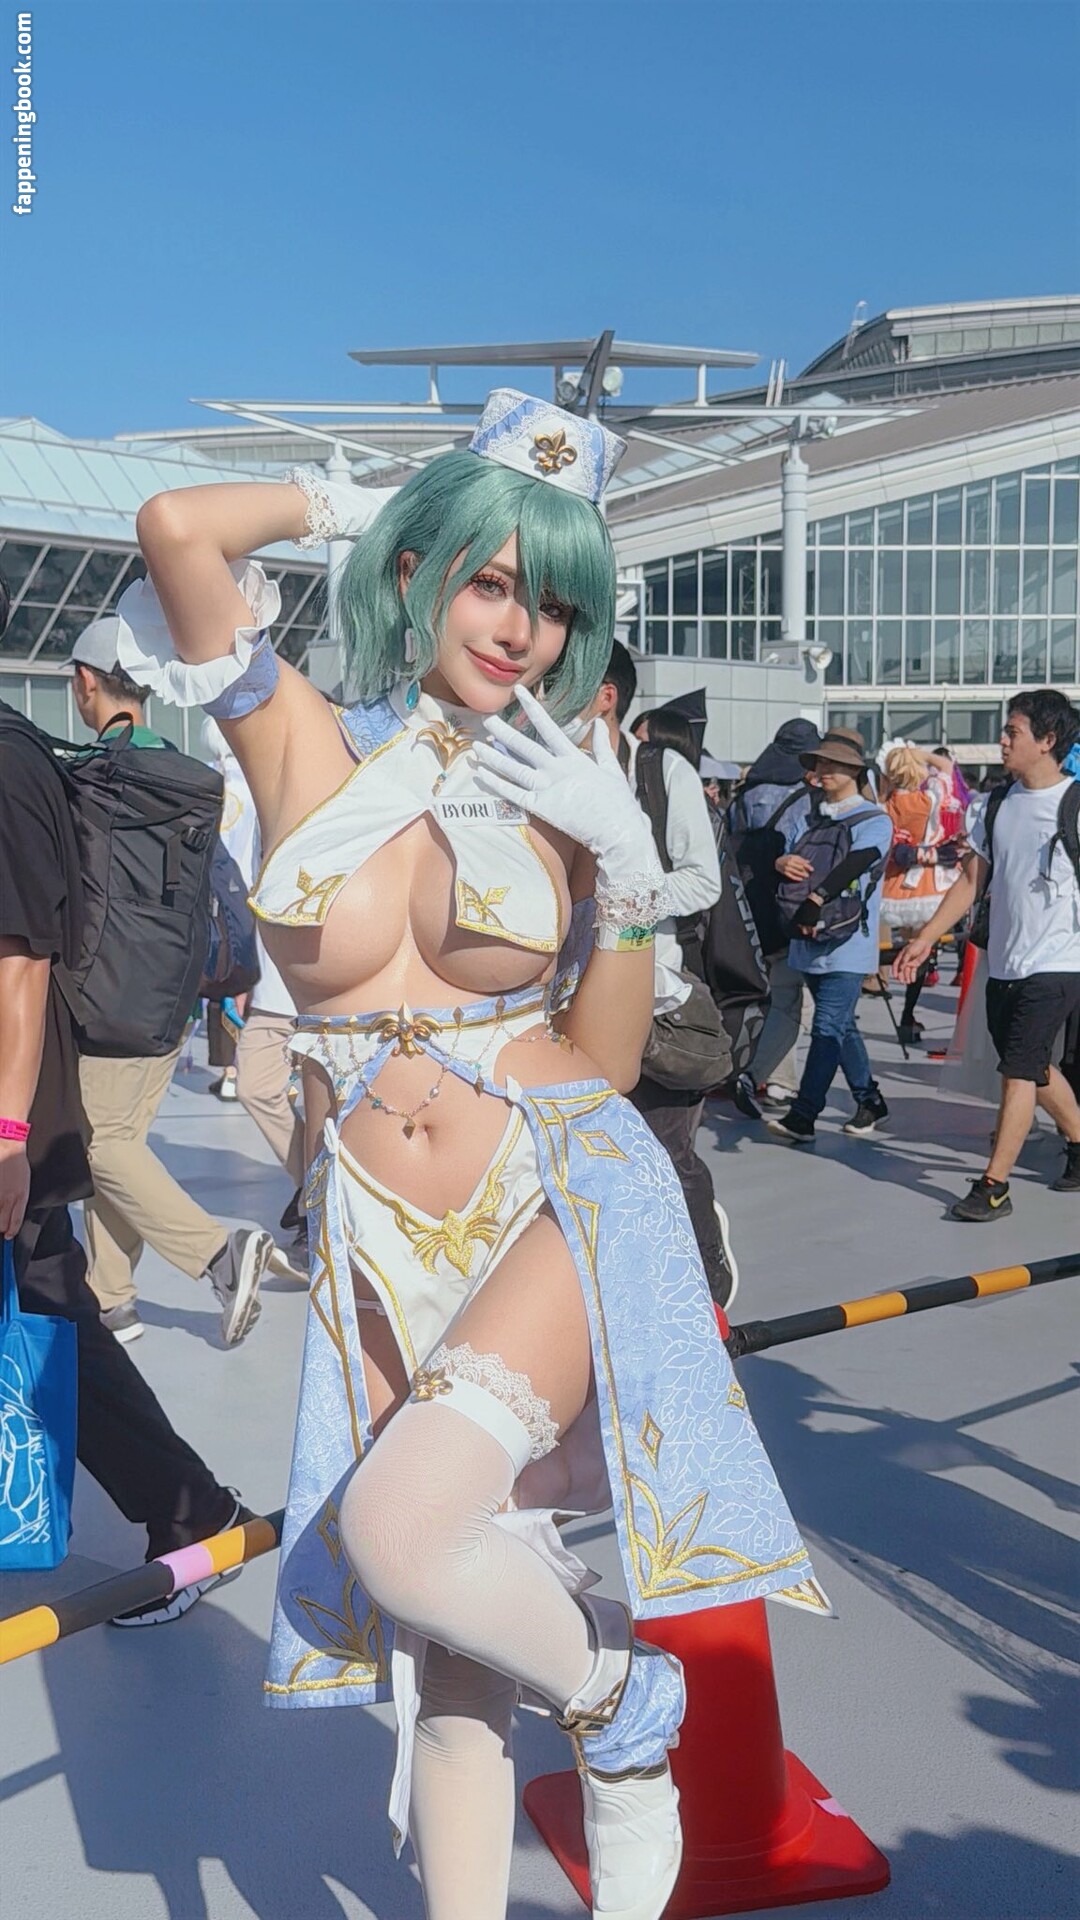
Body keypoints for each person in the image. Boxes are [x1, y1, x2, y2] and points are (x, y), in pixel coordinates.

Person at [116, 391, 813, 1920]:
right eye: (491, 580)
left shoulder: (561, 777)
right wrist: (352, 504)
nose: (520, 628)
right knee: (446, 1662)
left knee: (399, 1527)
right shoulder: (297, 736)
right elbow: (175, 529)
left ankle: (621, 1699)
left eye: (552, 601)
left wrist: (622, 866)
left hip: (549, 1189)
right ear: (421, 568)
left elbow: (610, 1062)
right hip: (376, 1229)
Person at [0, 584, 248, 1630]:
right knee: (54, 1305)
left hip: (12, 1113)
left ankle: (193, 1512)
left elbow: (20, 965)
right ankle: (191, 1511)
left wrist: (10, 1138)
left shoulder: (7, 763)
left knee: (53, 1310)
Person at [66, 618, 277, 1347]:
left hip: (105, 990)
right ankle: (112, 1298)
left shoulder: (91, 778)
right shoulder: (186, 775)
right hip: (176, 990)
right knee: (122, 1137)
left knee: (101, 1146)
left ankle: (221, 1255)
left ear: (85, 682)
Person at [580, 643, 736, 1306]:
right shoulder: (538, 767)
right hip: (567, 1003)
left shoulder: (660, 770)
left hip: (657, 998)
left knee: (667, 1149)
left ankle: (707, 1280)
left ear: (606, 696)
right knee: (593, 1157)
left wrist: (620, 903)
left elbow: (703, 881)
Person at [896, 689, 1080, 1216]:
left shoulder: (1074, 804)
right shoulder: (994, 804)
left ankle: (994, 1187)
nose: (1001, 741)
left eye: (1012, 732)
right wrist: (927, 936)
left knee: (1018, 1069)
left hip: (1060, 962)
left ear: (1047, 740)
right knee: (1033, 1067)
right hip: (1005, 961)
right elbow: (972, 880)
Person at [203, 719, 308, 1249]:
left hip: (323, 983)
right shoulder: (249, 793)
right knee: (256, 1084)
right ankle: (316, 1184)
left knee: (333, 1103)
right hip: (274, 982)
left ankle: (323, 1199)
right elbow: (240, 884)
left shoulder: (316, 792)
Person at [767, 728, 893, 1143]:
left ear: (854, 771)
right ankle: (869, 1099)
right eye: (820, 762)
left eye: (833, 764)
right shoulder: (807, 815)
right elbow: (783, 852)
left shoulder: (874, 820)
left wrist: (817, 897)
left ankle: (804, 1115)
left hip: (847, 941)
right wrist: (782, 862)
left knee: (826, 1026)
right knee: (840, 1025)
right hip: (809, 939)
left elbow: (858, 862)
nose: (823, 770)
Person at [728, 718, 822, 1107]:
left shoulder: (746, 792)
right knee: (790, 1000)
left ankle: (762, 1073)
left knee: (759, 994)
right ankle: (766, 1077)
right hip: (785, 908)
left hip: (746, 905)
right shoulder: (805, 797)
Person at [878, 745, 965, 1046]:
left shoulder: (884, 805)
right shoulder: (929, 799)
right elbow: (949, 770)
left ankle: (875, 977)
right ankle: (907, 1015)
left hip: (893, 885)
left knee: (902, 945)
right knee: (921, 948)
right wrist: (921, 754)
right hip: (928, 885)